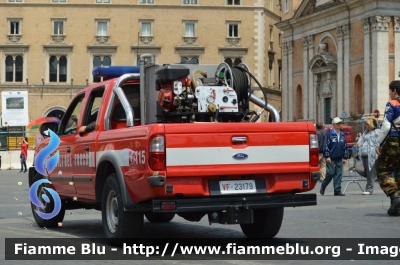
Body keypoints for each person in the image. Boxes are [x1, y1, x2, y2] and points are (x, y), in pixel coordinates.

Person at [375, 80, 400, 216]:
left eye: (390, 91)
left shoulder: (392, 104)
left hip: (394, 140)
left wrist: (378, 143)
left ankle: (394, 197)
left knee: (381, 168)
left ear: (394, 91)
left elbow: (385, 126)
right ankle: (396, 207)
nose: (389, 94)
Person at [320, 117, 349, 196]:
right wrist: (327, 156)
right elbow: (326, 146)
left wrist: (345, 157)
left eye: (340, 123)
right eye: (337, 123)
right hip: (331, 158)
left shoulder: (342, 135)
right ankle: (323, 185)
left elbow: (345, 147)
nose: (339, 124)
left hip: (339, 158)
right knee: (330, 173)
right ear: (333, 125)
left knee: (338, 174)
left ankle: (337, 190)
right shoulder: (329, 135)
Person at [357, 118, 380, 195]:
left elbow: (379, 142)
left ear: (371, 124)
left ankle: (369, 189)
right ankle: (373, 177)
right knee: (358, 167)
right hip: (363, 154)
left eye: (367, 124)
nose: (366, 125)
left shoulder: (377, 132)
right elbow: (362, 140)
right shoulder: (365, 132)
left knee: (370, 172)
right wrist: (359, 143)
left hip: (372, 155)